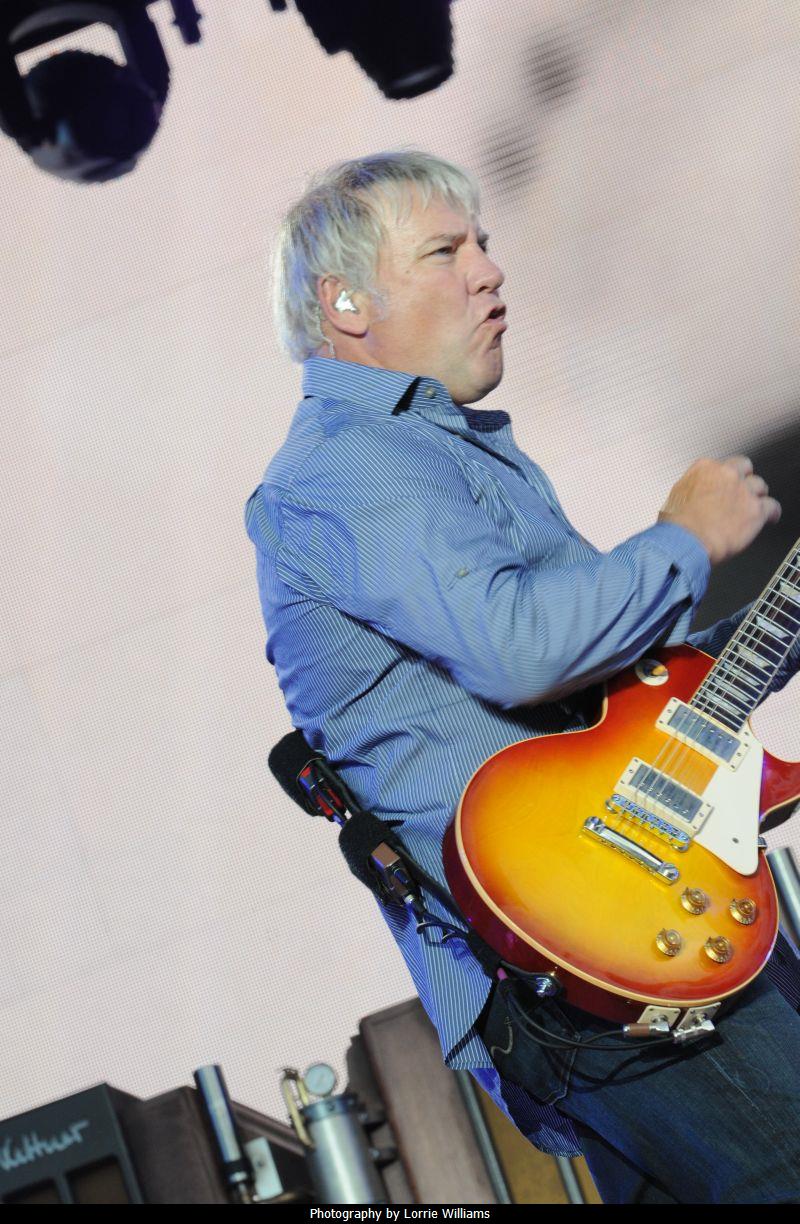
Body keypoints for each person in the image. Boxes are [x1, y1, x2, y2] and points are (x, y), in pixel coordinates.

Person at [244, 149, 800, 1203]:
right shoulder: (346, 467)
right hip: (594, 959)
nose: (489, 271)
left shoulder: (440, 452)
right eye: (444, 252)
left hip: (636, 931)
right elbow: (521, 649)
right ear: (346, 304)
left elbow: (620, 699)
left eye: (484, 245)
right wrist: (684, 537)